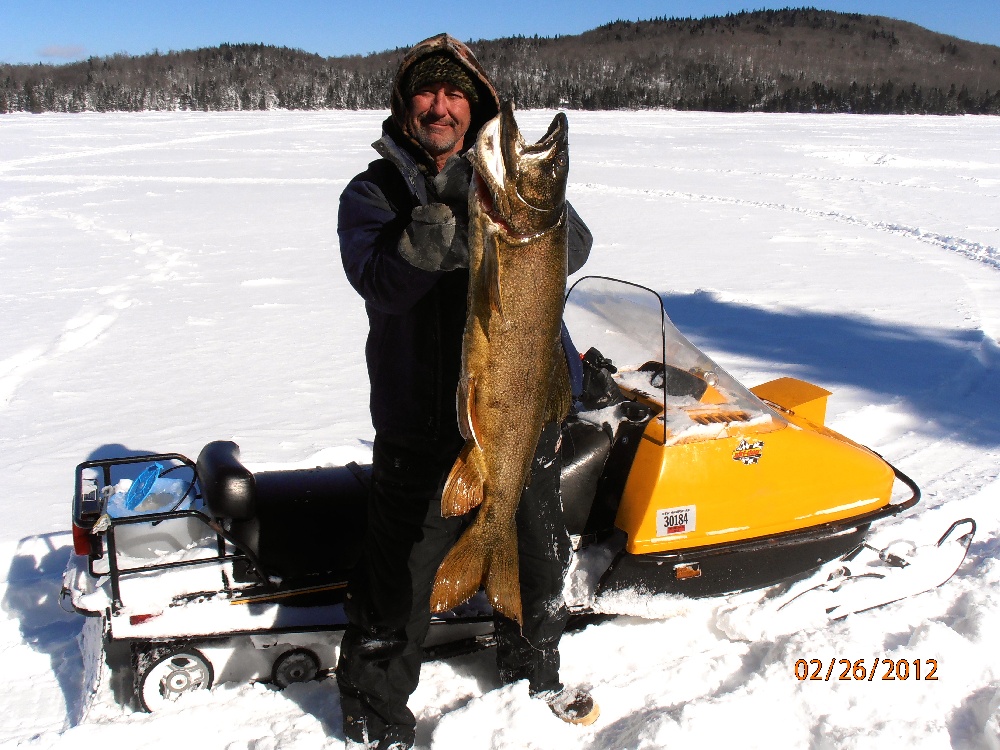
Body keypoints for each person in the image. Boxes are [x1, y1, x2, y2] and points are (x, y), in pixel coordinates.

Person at [337, 33, 595, 750]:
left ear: (474, 104)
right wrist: (447, 216)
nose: (441, 106)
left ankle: (533, 667)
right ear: (405, 103)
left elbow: (573, 244)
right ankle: (375, 711)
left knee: (539, 549)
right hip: (421, 419)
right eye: (427, 91)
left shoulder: (508, 184)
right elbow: (383, 281)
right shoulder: (372, 193)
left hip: (523, 404)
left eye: (456, 93)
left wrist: (513, 206)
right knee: (402, 577)